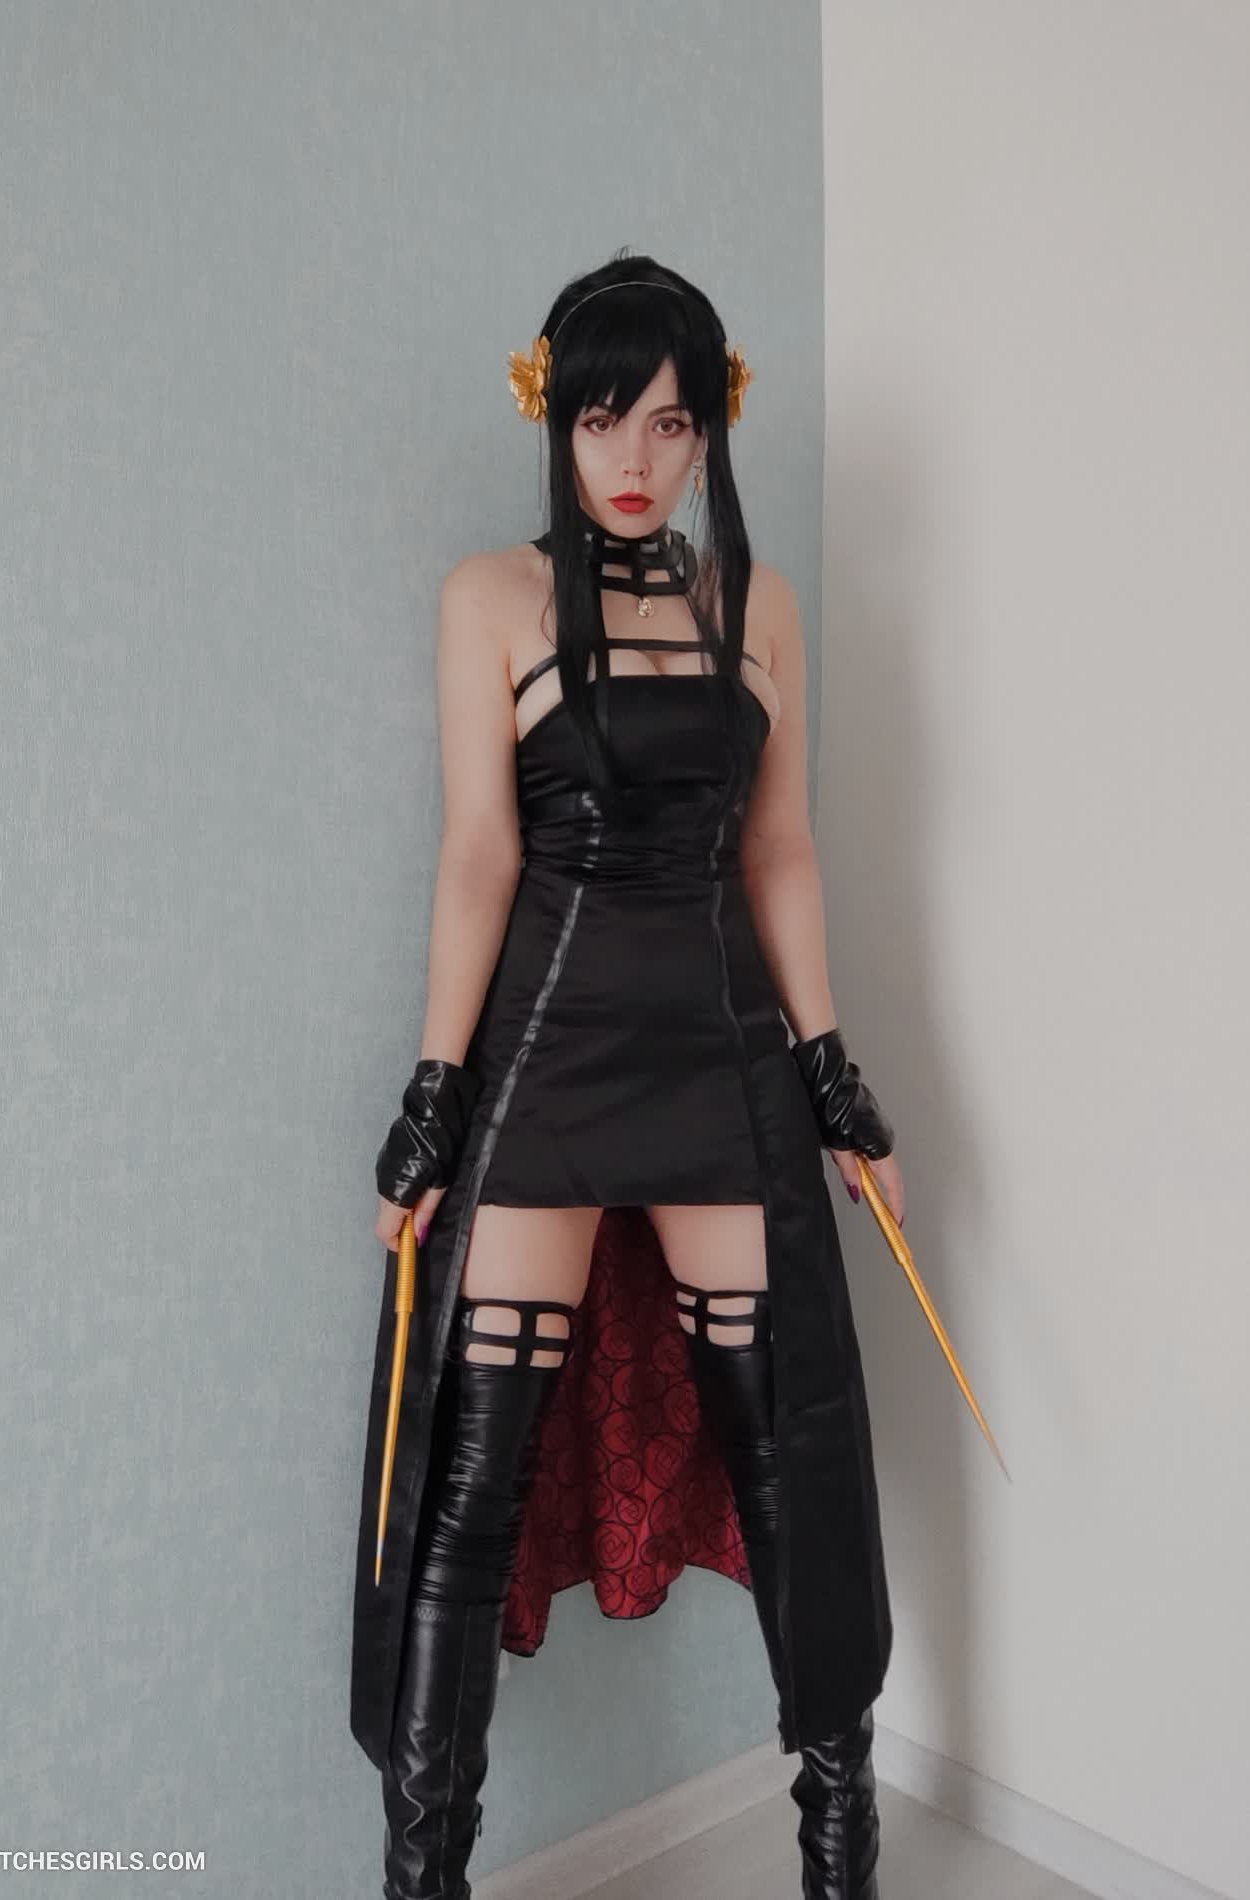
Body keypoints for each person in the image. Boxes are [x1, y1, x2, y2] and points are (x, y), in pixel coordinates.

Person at [351, 250, 904, 1900]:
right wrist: (434, 1094)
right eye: (604, 418)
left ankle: (840, 1856)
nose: (637, 457)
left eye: (671, 422)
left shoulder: (758, 603)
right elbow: (479, 855)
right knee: (471, 1486)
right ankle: (425, 1878)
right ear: (556, 419)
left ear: (710, 428)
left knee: (789, 1463)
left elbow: (781, 853)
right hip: (549, 1065)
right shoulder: (489, 598)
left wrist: (832, 1072)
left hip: (724, 1063)